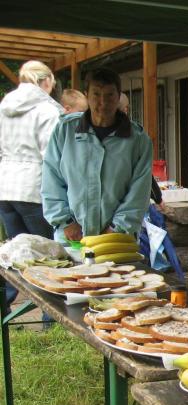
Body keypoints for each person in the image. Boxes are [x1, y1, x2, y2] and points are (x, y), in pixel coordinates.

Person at [42, 68, 153, 243]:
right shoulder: (66, 131)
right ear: (87, 95)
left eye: (109, 95)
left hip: (118, 237)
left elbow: (140, 191)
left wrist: (117, 228)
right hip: (71, 236)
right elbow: (51, 179)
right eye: (96, 94)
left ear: (118, 96)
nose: (103, 102)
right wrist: (65, 222)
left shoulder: (138, 139)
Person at [0, 60, 63, 308]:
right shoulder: (47, 110)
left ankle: (5, 309)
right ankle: (50, 314)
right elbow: (52, 156)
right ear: (46, 81)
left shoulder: (4, 106)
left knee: (16, 256)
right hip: (34, 189)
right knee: (46, 254)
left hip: (6, 187)